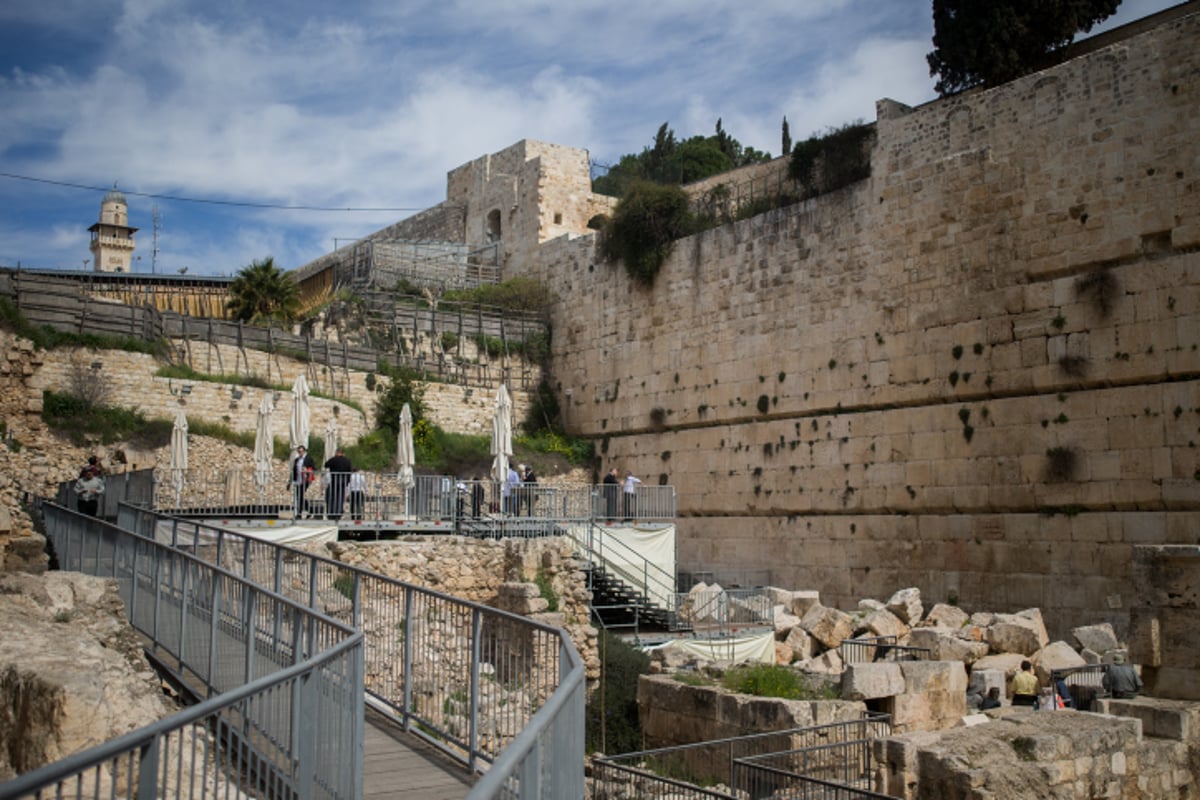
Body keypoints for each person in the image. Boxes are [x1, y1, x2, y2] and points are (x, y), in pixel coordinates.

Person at [323, 448, 353, 520]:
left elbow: (326, 465)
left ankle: (332, 513)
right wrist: (347, 481)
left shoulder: (334, 459)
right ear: (343, 453)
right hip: (343, 481)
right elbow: (349, 471)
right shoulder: (347, 461)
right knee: (340, 498)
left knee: (332, 497)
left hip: (334, 481)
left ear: (337, 453)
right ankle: (338, 513)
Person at [289, 446, 316, 518]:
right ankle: (309, 510)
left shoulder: (308, 459)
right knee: (299, 496)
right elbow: (294, 470)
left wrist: (307, 470)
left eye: (301, 451)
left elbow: (314, 468)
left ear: (304, 451)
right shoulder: (297, 460)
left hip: (305, 480)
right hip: (298, 480)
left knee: (300, 495)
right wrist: (291, 481)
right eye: (299, 452)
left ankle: (299, 513)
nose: (300, 453)